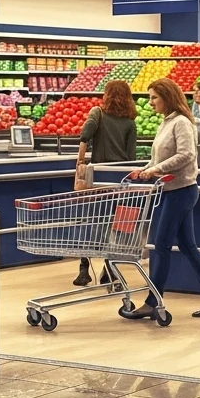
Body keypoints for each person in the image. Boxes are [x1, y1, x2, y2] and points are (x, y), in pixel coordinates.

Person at [120, 77, 200, 321]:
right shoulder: (165, 123)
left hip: (181, 191)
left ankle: (153, 301)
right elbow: (159, 157)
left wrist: (155, 170)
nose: (150, 102)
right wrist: (144, 169)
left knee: (161, 245)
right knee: (188, 246)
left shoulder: (181, 123)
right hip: (169, 191)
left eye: (154, 97)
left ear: (167, 97)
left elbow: (186, 154)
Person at [73, 80, 138, 287]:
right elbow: (131, 156)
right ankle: (109, 268)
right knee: (117, 226)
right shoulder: (130, 123)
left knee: (91, 222)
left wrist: (80, 164)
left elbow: (84, 137)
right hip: (119, 179)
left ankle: (84, 269)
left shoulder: (97, 113)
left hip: (98, 178)